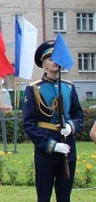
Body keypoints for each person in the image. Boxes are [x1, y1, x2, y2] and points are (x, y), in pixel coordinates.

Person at [23, 40, 84, 202]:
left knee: (65, 196)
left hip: (67, 148)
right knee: (44, 196)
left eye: (57, 57)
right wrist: (52, 145)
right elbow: (29, 124)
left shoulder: (69, 87)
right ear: (43, 64)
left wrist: (71, 127)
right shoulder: (34, 88)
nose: (55, 61)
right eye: (50, 59)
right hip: (46, 152)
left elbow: (79, 116)